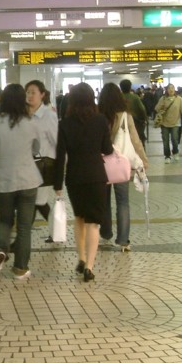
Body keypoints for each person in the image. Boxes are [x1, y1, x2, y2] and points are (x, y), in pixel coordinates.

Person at [0, 84, 42, 280]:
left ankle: (1, 250)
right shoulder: (32, 123)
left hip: (3, 182)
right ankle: (20, 268)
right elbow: (36, 149)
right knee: (24, 226)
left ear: (3, 101)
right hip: (28, 181)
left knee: (5, 221)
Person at [54, 83, 113, 282]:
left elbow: (60, 156)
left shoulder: (64, 123)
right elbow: (108, 149)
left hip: (74, 178)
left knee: (79, 218)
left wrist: (57, 185)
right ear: (91, 98)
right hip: (96, 176)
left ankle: (80, 258)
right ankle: (89, 266)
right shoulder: (100, 120)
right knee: (93, 223)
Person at [98, 82, 148, 252]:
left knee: (103, 201)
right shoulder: (126, 116)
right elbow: (135, 140)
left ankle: (105, 232)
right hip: (121, 164)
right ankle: (124, 240)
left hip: (102, 164)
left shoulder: (98, 115)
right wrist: (143, 159)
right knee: (123, 202)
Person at [25, 80, 58, 222]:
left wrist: (60, 166)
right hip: (28, 165)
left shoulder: (48, 115)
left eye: (33, 92)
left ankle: (22, 239)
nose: (30, 96)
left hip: (45, 164)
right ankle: (55, 231)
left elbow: (57, 141)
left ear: (42, 95)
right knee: (35, 201)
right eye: (27, 92)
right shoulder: (24, 114)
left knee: (37, 201)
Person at [154, 84, 182, 163]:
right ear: (166, 90)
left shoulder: (179, 99)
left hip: (176, 123)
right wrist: (161, 105)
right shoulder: (163, 99)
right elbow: (156, 108)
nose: (171, 90)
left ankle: (175, 151)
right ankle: (167, 156)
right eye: (169, 88)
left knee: (174, 139)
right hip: (164, 123)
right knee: (165, 140)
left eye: (173, 88)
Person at [119, 79, 148, 148]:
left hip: (122, 122)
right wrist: (145, 119)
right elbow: (142, 109)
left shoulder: (118, 97)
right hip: (136, 121)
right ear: (130, 87)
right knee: (138, 138)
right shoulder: (135, 97)